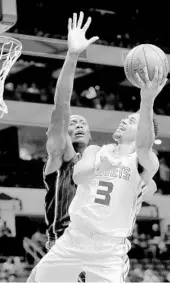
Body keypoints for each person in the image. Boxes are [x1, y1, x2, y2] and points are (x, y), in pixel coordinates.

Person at [27, 51, 166, 282]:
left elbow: (144, 149)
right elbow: (80, 176)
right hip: (74, 238)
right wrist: (107, 161)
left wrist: (147, 100)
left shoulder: (143, 161)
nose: (124, 120)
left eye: (132, 121)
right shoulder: (95, 151)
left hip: (107, 251)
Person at [43, 11, 98, 250]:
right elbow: (62, 105)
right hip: (64, 245)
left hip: (97, 247)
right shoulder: (60, 156)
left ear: (90, 134)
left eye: (82, 123)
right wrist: (73, 55)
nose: (77, 125)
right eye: (73, 123)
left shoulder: (100, 164)